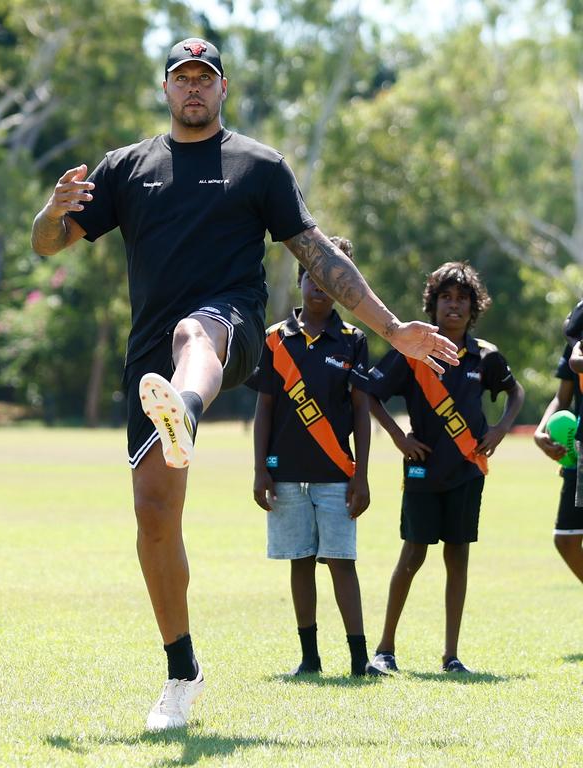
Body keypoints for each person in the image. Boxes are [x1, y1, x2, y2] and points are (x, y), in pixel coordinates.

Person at [30, 37, 459, 729]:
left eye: (205, 78)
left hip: (226, 331)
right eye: (182, 78)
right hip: (148, 364)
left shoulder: (258, 166)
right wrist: (52, 213)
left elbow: (319, 257)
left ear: (222, 89)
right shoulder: (126, 168)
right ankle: (181, 670)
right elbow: (49, 244)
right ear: (166, 89)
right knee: (154, 518)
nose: (193, 88)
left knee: (192, 336)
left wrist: (391, 327)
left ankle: (188, 411)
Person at [358, 262, 524, 675]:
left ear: (474, 308)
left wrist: (502, 427)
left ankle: (451, 656)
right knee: (412, 554)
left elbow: (515, 391)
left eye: (462, 299)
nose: (454, 306)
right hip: (423, 471)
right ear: (432, 306)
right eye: (446, 298)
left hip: (467, 471)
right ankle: (385, 649)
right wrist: (399, 438)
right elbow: (368, 393)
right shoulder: (414, 352)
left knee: (458, 558)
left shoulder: (484, 355)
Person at [250, 237, 379, 678]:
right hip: (284, 476)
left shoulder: (353, 340)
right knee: (299, 560)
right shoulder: (275, 340)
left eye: (332, 281)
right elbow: (264, 408)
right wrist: (259, 471)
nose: (320, 287)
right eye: (313, 277)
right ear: (302, 280)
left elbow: (362, 412)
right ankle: (310, 658)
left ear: (345, 289)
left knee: (342, 563)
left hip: (335, 476)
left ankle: (360, 660)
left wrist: (361, 475)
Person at [533, 334, 583, 585]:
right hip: (580, 450)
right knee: (566, 538)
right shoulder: (577, 333)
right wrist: (540, 431)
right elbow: (562, 397)